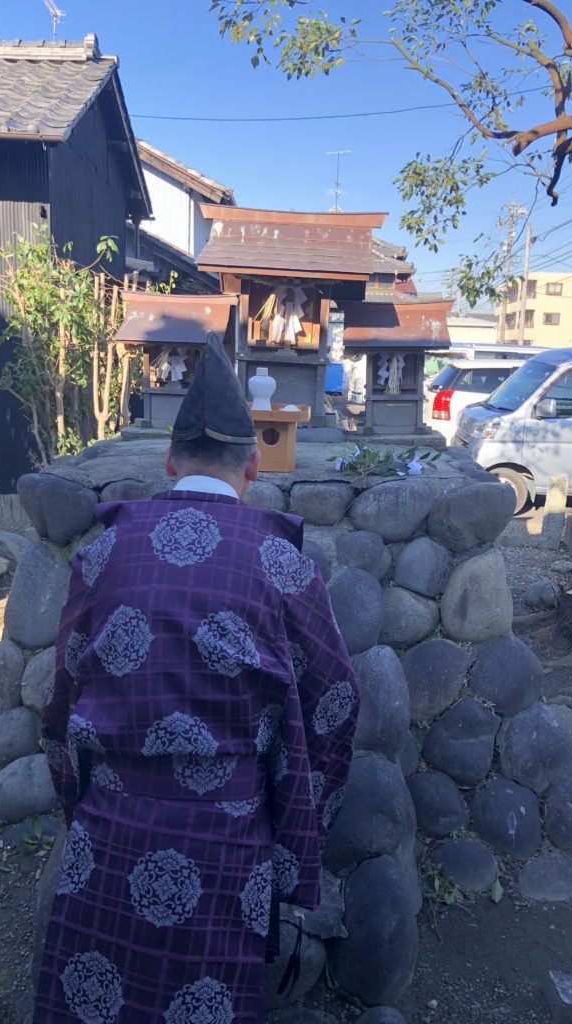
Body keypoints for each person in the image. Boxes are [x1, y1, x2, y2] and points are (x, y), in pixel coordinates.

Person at [33, 336, 358, 1024]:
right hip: (227, 841)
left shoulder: (100, 556)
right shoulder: (282, 564)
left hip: (110, 831)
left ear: (169, 461)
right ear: (254, 465)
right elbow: (334, 703)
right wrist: (295, 840)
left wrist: (77, 807)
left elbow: (59, 702)